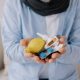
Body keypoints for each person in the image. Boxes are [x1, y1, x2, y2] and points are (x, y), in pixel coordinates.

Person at [1, 0, 80, 80]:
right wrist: (26, 51)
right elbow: (10, 48)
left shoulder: (75, 3)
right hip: (22, 77)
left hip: (66, 77)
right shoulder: (14, 3)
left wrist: (64, 51)